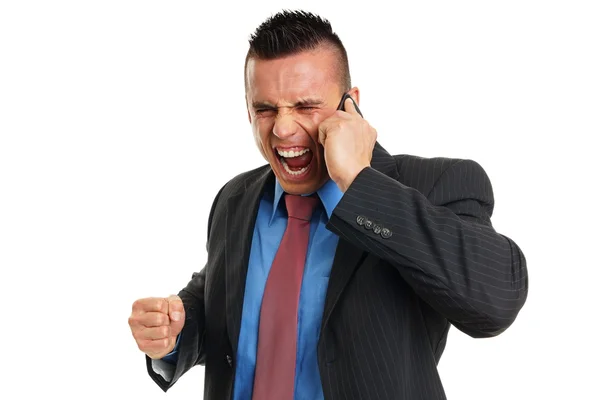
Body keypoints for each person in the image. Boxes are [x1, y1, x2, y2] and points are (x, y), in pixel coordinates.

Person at [128, 9, 528, 400]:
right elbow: (220, 301)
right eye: (265, 109)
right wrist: (175, 333)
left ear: (349, 104)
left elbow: (495, 302)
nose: (283, 128)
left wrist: (358, 182)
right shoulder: (235, 198)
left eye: (305, 106)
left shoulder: (436, 184)